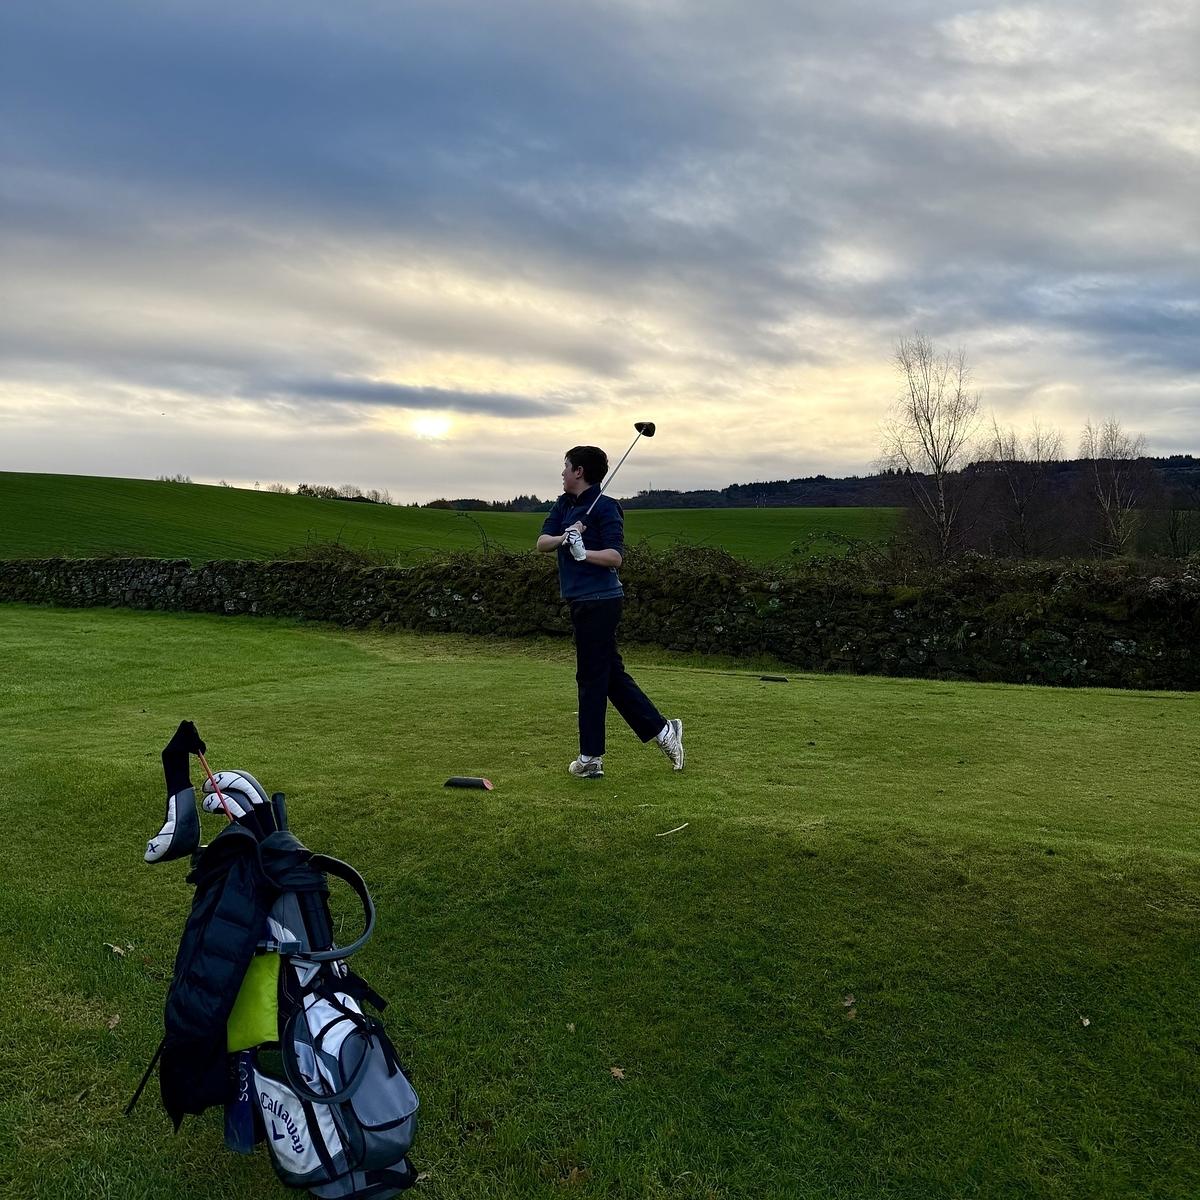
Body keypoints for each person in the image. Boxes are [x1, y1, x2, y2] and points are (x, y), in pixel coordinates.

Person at [537, 444, 684, 779]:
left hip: (602, 599)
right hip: (579, 600)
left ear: (579, 472)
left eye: (566, 466)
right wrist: (565, 537)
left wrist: (583, 552)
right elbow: (541, 542)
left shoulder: (606, 508)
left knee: (590, 677)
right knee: (609, 676)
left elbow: (615, 557)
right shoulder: (563, 505)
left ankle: (590, 759)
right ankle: (664, 731)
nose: (562, 472)